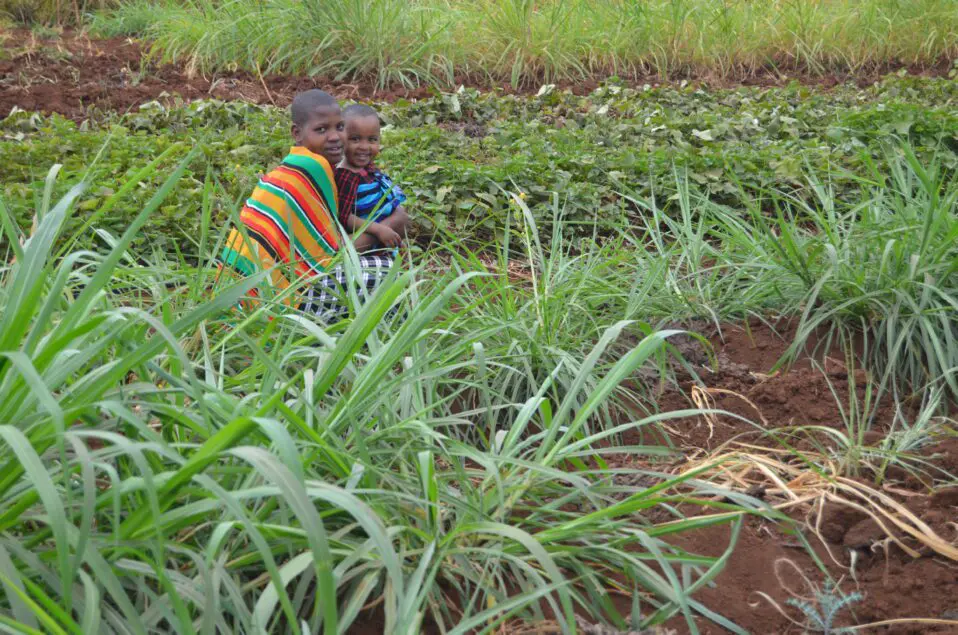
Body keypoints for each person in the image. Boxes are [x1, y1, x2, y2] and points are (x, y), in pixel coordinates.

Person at [218, 89, 393, 322]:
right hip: (272, 303)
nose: (334, 137)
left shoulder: (293, 165)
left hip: (237, 296)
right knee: (388, 270)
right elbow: (331, 256)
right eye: (321, 130)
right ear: (297, 133)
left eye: (339, 127)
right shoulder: (315, 168)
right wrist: (381, 232)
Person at [334, 104, 410, 255]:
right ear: (341, 138)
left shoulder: (367, 168)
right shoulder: (346, 176)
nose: (364, 147)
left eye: (372, 140)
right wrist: (379, 230)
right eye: (355, 139)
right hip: (365, 243)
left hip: (382, 235)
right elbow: (345, 217)